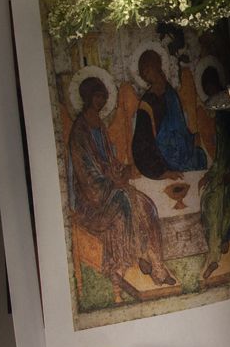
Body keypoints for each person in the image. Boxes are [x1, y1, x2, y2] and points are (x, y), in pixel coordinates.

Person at [68, 76, 175, 292]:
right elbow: (85, 173)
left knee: (147, 206)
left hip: (110, 187)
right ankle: (129, 263)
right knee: (124, 201)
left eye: (103, 97)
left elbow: (109, 161)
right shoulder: (79, 131)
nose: (100, 101)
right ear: (87, 97)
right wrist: (110, 182)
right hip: (92, 197)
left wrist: (123, 170)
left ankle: (156, 265)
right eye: (97, 96)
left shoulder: (100, 126)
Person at [131, 49, 207, 179]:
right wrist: (161, 172)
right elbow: (141, 142)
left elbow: (180, 125)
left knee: (199, 157)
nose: (146, 75)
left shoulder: (171, 93)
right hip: (163, 156)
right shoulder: (147, 102)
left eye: (148, 69)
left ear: (157, 65)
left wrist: (190, 139)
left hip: (182, 148)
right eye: (143, 72)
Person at [198, 66, 230, 280]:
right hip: (222, 170)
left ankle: (216, 258)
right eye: (207, 90)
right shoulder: (219, 116)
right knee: (207, 201)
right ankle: (219, 247)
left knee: (217, 204)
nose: (211, 92)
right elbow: (220, 153)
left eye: (212, 86)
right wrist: (210, 174)